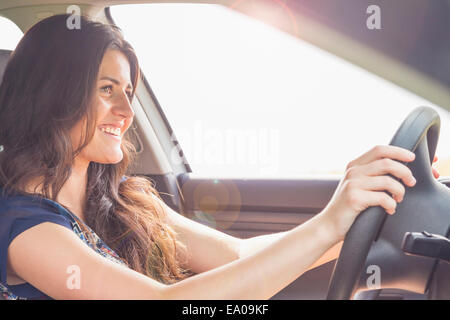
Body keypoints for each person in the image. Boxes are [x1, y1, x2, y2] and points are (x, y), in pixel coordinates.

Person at [0, 13, 441, 300]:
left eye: (129, 92)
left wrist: (366, 219)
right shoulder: (26, 229)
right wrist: (329, 221)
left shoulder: (124, 200)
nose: (127, 112)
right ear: (53, 93)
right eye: (106, 90)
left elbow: (236, 257)